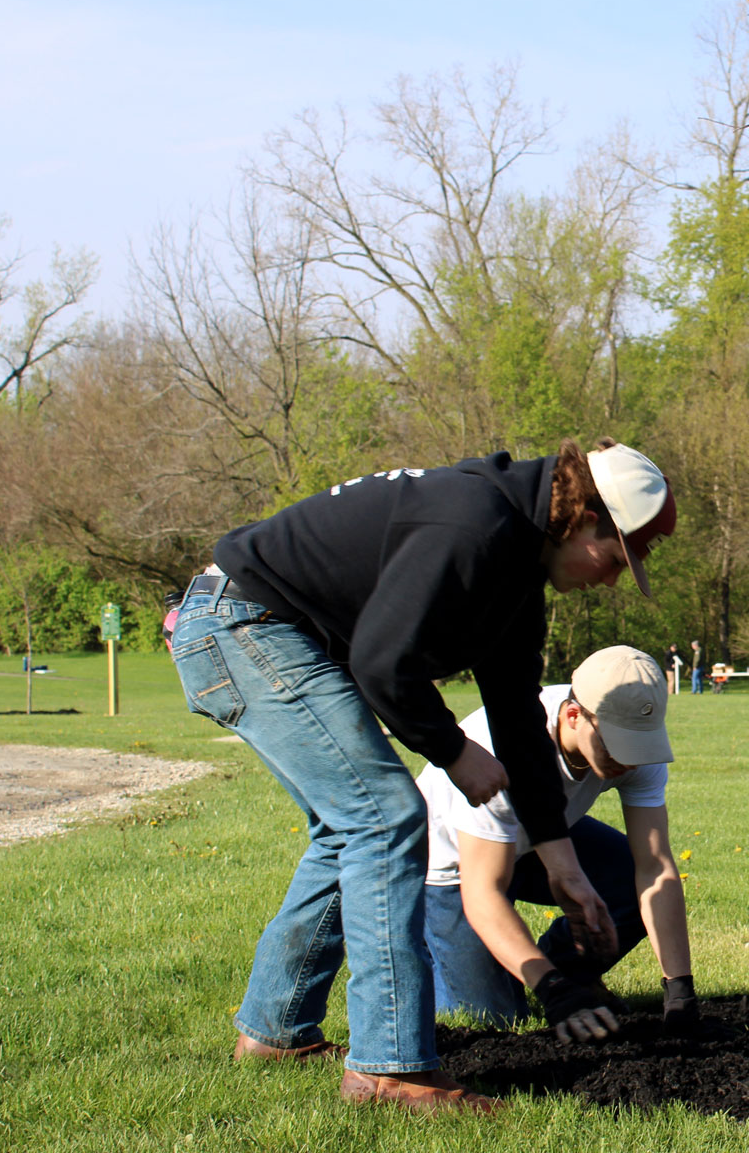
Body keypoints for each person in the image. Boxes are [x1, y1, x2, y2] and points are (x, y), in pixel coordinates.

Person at [169, 439, 675, 1112]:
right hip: (241, 623)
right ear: (585, 522)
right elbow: (382, 663)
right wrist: (452, 750)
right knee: (385, 817)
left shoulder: (515, 564)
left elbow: (520, 721)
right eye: (615, 559)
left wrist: (562, 862)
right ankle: (389, 1069)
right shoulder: (474, 526)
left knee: (349, 829)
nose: (611, 579)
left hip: (264, 630)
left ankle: (275, 1031)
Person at [419, 646, 696, 1039]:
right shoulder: (501, 747)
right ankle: (428, 950)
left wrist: (679, 990)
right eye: (618, 745)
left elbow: (655, 868)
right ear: (572, 716)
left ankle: (565, 970)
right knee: (492, 1018)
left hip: (543, 838)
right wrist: (549, 990)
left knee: (628, 878)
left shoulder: (636, 746)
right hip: (454, 862)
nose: (631, 761)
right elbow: (482, 892)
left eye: (639, 746)